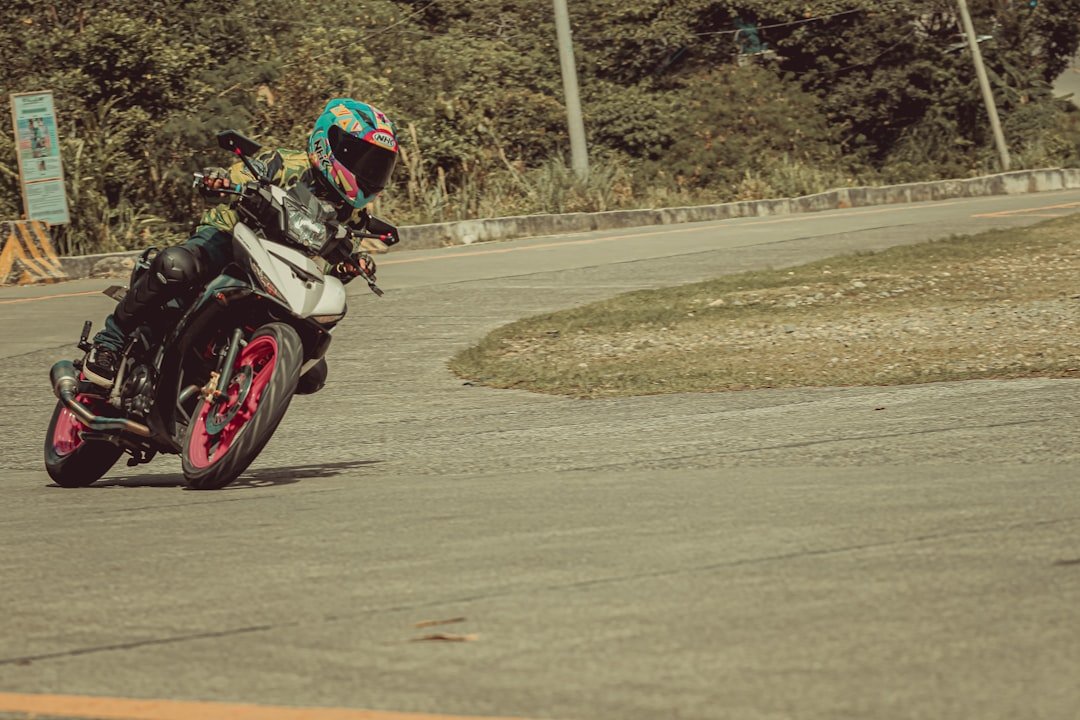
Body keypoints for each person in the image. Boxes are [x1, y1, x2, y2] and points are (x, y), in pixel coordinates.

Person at [84, 97, 399, 388]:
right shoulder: (286, 162)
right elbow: (247, 172)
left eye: (377, 166)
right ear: (327, 143)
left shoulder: (352, 214)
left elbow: (333, 258)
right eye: (361, 159)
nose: (368, 172)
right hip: (232, 237)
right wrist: (224, 181)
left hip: (284, 271)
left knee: (312, 372)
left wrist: (348, 265)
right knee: (176, 266)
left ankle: (232, 395)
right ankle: (109, 342)